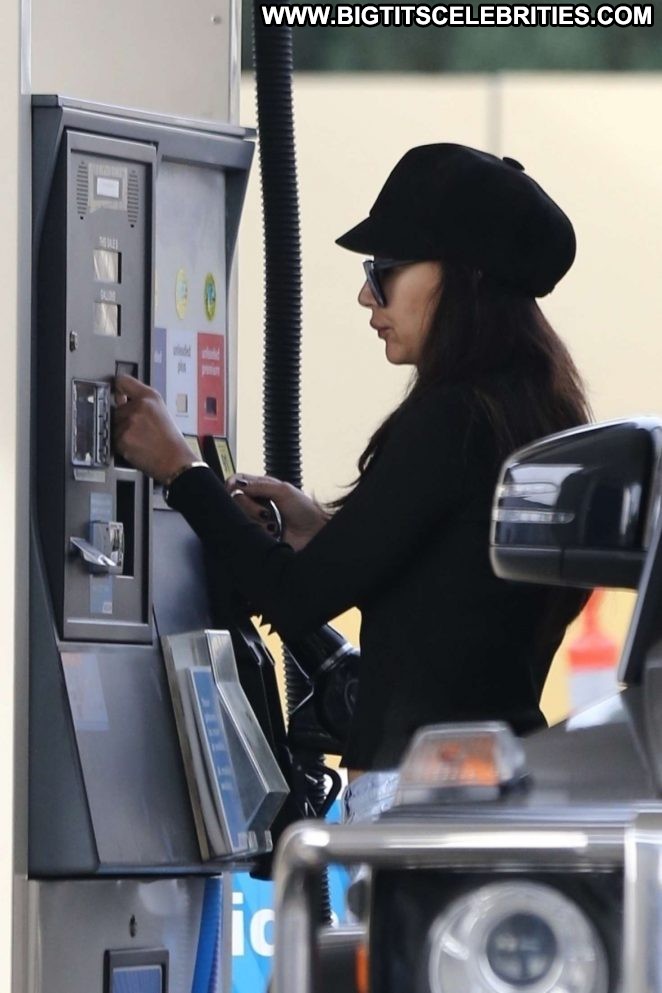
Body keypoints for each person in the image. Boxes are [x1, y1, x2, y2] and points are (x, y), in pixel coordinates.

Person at [114, 143, 590, 818]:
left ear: (465, 277)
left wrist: (179, 470)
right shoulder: (538, 415)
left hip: (421, 803)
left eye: (385, 270)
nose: (368, 294)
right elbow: (458, 593)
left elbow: (293, 597)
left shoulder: (453, 418)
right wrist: (327, 532)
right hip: (498, 788)